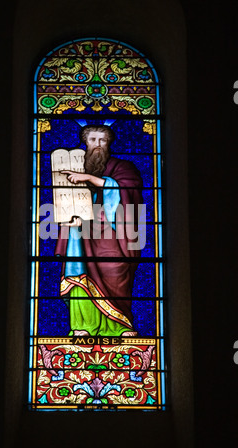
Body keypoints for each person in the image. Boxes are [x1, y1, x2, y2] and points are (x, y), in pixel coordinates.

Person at [54, 125, 143, 337]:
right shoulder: (76, 167)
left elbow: (130, 193)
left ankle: (120, 325)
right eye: (93, 140)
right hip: (80, 233)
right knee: (79, 270)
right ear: (85, 142)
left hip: (113, 233)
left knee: (116, 270)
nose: (97, 145)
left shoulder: (124, 167)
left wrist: (90, 179)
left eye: (102, 140)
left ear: (109, 143)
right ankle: (83, 325)